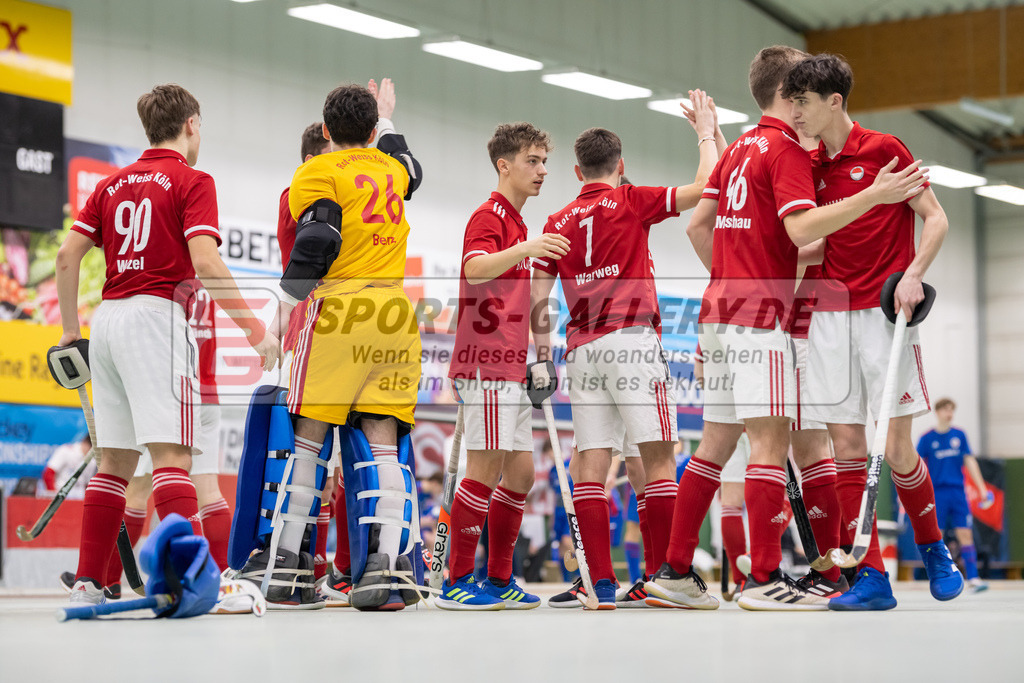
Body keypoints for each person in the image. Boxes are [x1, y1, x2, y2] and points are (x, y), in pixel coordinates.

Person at [644, 46, 926, 612]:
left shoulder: (738, 150)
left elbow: (700, 227)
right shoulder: (786, 149)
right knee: (773, 445)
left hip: (718, 311)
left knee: (714, 446)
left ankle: (675, 572)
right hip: (760, 318)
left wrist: (736, 271)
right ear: (789, 94)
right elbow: (800, 233)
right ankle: (765, 578)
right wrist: (872, 198)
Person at [56, 83, 280, 605]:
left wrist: (70, 331)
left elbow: (68, 256)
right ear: (192, 125)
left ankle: (90, 583)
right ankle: (201, 581)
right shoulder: (194, 179)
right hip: (158, 320)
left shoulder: (111, 185)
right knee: (173, 460)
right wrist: (255, 330)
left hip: (106, 321)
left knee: (114, 461)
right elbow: (205, 262)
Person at [783, 53, 963, 610]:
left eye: (804, 103)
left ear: (834, 101)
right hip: (830, 317)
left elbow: (935, 217)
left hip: (887, 315)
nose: (796, 113)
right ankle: (871, 577)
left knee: (900, 448)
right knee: (848, 447)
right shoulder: (808, 165)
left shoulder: (886, 150)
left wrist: (913, 275)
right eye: (791, 103)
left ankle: (934, 547)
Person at [531, 89, 722, 609]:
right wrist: (705, 132)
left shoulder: (556, 223)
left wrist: (542, 354)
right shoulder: (630, 200)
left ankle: (600, 583)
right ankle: (667, 579)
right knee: (659, 458)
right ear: (622, 166)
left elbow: (536, 297)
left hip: (582, 348)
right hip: (633, 340)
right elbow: (708, 186)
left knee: (590, 463)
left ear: (576, 172)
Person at [240, 78, 423, 611]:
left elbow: (319, 239)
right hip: (393, 312)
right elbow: (410, 164)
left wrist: (279, 310)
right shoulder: (391, 168)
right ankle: (386, 570)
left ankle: (291, 573)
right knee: (384, 444)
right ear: (371, 132)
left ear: (324, 130)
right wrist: (387, 120)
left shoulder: (314, 171)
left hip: (339, 310)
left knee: (309, 441)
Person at [437, 122, 564, 611]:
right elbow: (474, 267)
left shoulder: (520, 225)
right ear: (504, 165)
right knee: (485, 469)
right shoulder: (488, 216)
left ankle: (498, 579)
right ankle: (456, 581)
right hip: (484, 363)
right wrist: (526, 250)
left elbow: (533, 301)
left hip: (513, 365)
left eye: (544, 162)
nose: (542, 171)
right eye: (532, 161)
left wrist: (544, 355)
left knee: (522, 475)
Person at [275, 122, 349, 604]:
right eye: (333, 155)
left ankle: (319, 571)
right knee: (310, 462)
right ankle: (291, 566)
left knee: (333, 469)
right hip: (310, 330)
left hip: (339, 332)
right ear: (314, 158)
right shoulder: (299, 195)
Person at [917, 397, 992, 592]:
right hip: (936, 494)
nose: (949, 413)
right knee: (936, 535)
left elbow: (970, 462)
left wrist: (982, 489)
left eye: (951, 410)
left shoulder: (960, 435)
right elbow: (917, 466)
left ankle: (973, 577)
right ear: (937, 412)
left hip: (957, 492)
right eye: (945, 410)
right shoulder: (927, 438)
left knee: (965, 534)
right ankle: (937, 576)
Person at [41, 434, 95, 499]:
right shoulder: (66, 451)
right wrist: (53, 495)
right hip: (60, 494)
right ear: (84, 442)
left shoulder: (92, 461)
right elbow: (49, 473)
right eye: (89, 447)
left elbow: (87, 485)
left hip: (79, 498)